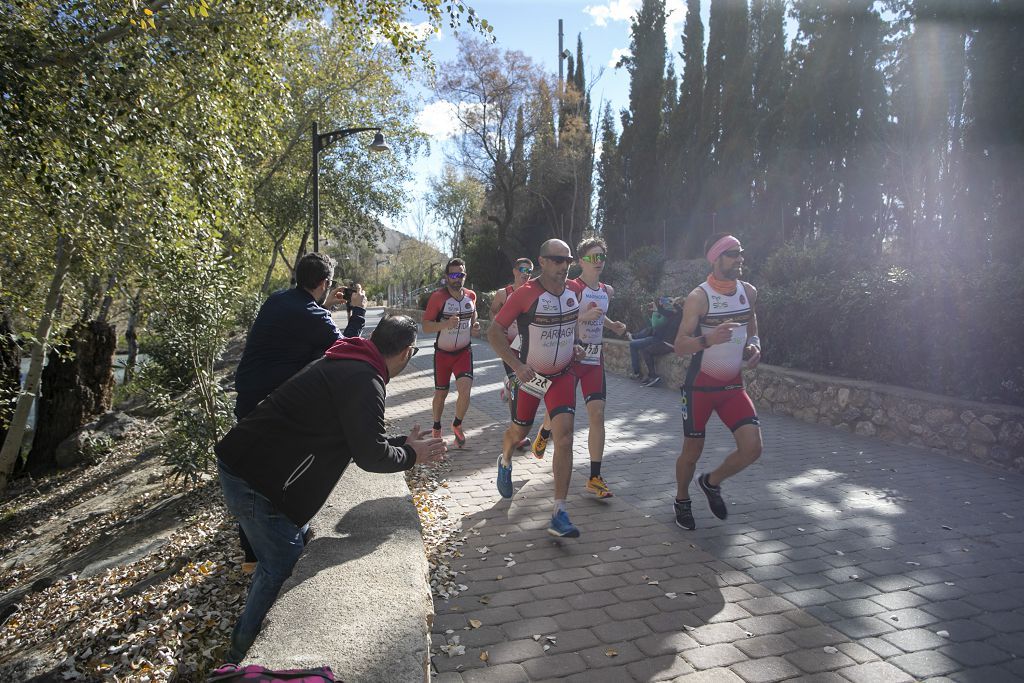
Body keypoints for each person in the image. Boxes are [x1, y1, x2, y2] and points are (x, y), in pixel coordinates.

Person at [215, 315, 447, 663]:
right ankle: (239, 653)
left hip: (252, 468)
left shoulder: (351, 361)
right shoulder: (364, 379)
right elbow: (370, 456)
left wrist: (402, 444)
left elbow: (360, 439)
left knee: (294, 548)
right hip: (253, 481)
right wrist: (411, 455)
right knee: (280, 567)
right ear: (407, 352)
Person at [233, 253, 366, 572]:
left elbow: (302, 331)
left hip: (247, 399)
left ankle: (251, 557)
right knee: (270, 478)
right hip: (270, 408)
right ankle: (273, 553)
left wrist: (325, 307)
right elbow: (345, 351)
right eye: (329, 285)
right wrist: (358, 312)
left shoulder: (278, 300)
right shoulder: (311, 314)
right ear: (323, 283)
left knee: (251, 473)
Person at [488, 239, 602, 538]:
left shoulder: (575, 291)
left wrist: (575, 346)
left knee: (564, 437)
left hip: (563, 375)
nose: (563, 266)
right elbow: (494, 331)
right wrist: (516, 366)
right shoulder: (526, 294)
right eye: (556, 260)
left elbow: (569, 327)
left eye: (567, 260)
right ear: (543, 261)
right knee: (519, 432)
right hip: (531, 376)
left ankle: (559, 512)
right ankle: (506, 459)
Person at [671, 233, 763, 530]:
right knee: (692, 451)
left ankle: (711, 483)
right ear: (716, 258)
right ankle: (682, 499)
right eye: (732, 254)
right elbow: (680, 345)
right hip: (700, 387)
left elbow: (751, 321)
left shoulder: (748, 291)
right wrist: (708, 339)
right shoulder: (699, 297)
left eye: (740, 253)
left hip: (732, 386)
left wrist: (755, 345)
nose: (739, 259)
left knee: (753, 449)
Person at [529, 237, 628, 501]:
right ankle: (545, 431)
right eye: (592, 257)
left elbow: (599, 312)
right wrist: (582, 318)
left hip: (594, 360)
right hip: (571, 356)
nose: (598, 263)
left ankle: (595, 477)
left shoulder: (607, 291)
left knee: (597, 414)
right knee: (560, 413)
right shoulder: (571, 287)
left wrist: (613, 325)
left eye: (602, 258)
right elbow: (563, 316)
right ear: (581, 260)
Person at [422, 258, 480, 447]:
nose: (457, 279)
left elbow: (473, 314)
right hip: (443, 355)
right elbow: (426, 326)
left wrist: (474, 326)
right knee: (441, 394)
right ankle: (437, 427)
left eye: (460, 275)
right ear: (447, 277)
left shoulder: (471, 296)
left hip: (464, 353)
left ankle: (457, 424)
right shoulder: (438, 297)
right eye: (453, 275)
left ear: (465, 276)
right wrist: (446, 324)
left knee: (465, 390)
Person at [490, 257, 535, 451]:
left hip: (527, 346)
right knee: (518, 384)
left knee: (522, 384)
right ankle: (516, 430)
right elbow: (493, 313)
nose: (526, 273)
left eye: (530, 271)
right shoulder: (503, 293)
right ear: (515, 271)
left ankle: (507, 388)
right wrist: (501, 326)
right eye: (523, 269)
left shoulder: (534, 291)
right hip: (509, 348)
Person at [639, 297, 683, 387]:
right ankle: (651, 376)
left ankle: (653, 376)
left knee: (646, 351)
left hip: (670, 345)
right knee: (646, 349)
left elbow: (681, 311)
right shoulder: (673, 314)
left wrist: (674, 303)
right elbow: (662, 311)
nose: (672, 305)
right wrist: (660, 304)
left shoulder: (681, 316)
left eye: (675, 304)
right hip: (665, 343)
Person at [628, 300, 668, 381]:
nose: (660, 304)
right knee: (643, 334)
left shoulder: (667, 314)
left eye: (661, 303)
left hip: (659, 339)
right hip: (654, 337)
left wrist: (655, 311)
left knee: (632, 344)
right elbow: (651, 325)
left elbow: (655, 324)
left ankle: (637, 373)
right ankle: (634, 337)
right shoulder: (663, 313)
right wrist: (645, 314)